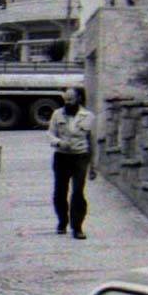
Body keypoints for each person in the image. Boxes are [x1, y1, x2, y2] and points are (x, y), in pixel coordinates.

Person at [48, 87, 97, 240]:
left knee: (78, 192)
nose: (67, 102)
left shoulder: (88, 116)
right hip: (62, 157)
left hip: (80, 157)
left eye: (71, 99)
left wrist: (93, 165)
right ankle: (62, 221)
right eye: (65, 99)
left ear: (79, 99)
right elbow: (50, 134)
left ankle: (77, 227)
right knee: (60, 193)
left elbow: (92, 141)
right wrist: (59, 142)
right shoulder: (57, 114)